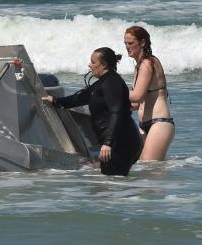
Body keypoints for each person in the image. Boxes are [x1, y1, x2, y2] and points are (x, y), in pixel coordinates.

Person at [43, 48, 142, 177]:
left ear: (104, 64)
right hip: (116, 142)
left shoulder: (112, 82)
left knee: (112, 186)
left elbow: (117, 112)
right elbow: (78, 99)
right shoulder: (102, 83)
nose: (89, 65)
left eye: (93, 62)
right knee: (111, 185)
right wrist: (55, 100)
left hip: (120, 142)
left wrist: (108, 143)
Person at [124, 26, 175, 161]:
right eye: (125, 44)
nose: (127, 47)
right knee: (144, 171)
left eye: (130, 43)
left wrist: (113, 91)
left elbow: (137, 95)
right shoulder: (139, 65)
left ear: (142, 43)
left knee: (149, 169)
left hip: (159, 123)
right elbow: (136, 103)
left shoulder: (148, 63)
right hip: (145, 125)